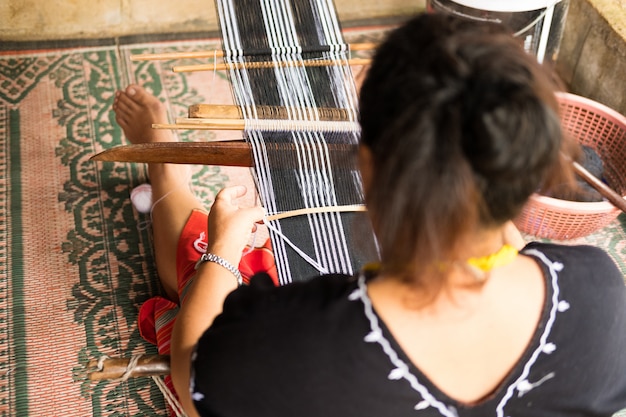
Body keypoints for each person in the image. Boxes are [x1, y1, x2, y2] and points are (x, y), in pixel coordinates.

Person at [113, 12, 626, 417]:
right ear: (524, 175)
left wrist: (224, 249)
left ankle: (165, 164)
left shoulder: (293, 336)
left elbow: (193, 370)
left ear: (366, 168)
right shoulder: (599, 295)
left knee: (202, 260)